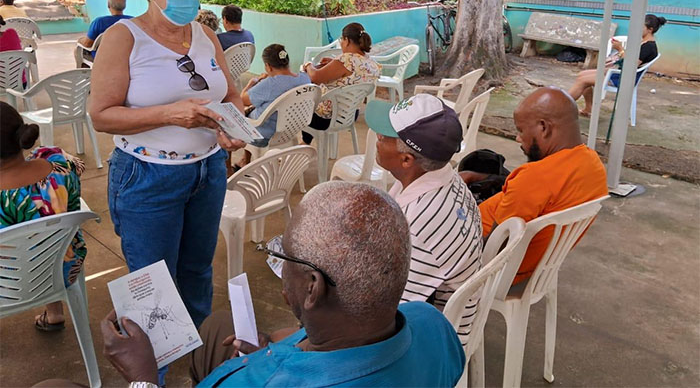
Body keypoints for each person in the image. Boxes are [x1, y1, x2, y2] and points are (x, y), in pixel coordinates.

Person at [101, 182, 466, 387]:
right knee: (218, 325)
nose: (278, 264)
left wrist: (142, 378)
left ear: (312, 287)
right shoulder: (432, 324)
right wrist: (277, 345)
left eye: (284, 255)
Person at [88, 0, 246, 335]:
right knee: (151, 288)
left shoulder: (205, 35)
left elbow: (228, 94)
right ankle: (150, 372)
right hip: (146, 177)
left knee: (197, 269)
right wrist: (168, 114)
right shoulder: (124, 38)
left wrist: (232, 124)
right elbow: (101, 116)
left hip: (207, 171)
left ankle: (199, 362)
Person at [365, 93, 482, 344]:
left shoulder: (418, 226)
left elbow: (385, 314)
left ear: (406, 160)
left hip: (434, 336)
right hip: (432, 296)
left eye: (384, 136)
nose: (377, 139)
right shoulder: (444, 174)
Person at [479, 87, 608, 285]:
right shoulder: (593, 164)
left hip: (497, 272)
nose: (518, 138)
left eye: (521, 130)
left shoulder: (533, 178)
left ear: (543, 128)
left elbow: (493, 250)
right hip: (537, 267)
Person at [0, 102, 87, 332]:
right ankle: (55, 311)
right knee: (44, 232)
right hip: (62, 269)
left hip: (8, 286)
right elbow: (80, 166)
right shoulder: (60, 165)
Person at [569, 14, 665, 116]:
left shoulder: (649, 47)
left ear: (650, 29)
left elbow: (630, 66)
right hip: (620, 72)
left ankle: (561, 106)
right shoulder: (643, 42)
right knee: (582, 75)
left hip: (623, 78)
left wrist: (620, 49)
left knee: (582, 80)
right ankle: (589, 109)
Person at [301, 22, 380, 145]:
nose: (341, 43)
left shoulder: (345, 59)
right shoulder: (371, 63)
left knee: (300, 102)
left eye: (341, 39)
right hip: (349, 115)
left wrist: (308, 65)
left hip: (325, 118)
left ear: (347, 40)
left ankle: (303, 144)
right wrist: (333, 63)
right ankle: (305, 142)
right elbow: (350, 75)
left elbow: (315, 77)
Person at [235, 44, 311, 168]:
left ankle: (228, 169)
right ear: (287, 62)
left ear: (268, 66)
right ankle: (245, 160)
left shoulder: (269, 84)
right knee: (255, 110)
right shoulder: (305, 79)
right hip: (291, 131)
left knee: (230, 121)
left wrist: (252, 82)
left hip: (263, 135)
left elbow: (243, 99)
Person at [75, 0, 132, 66]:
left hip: (103, 58)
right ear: (124, 6)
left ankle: (85, 74)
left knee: (78, 50)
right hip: (127, 57)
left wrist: (80, 40)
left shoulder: (99, 22)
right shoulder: (132, 20)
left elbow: (87, 44)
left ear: (108, 5)